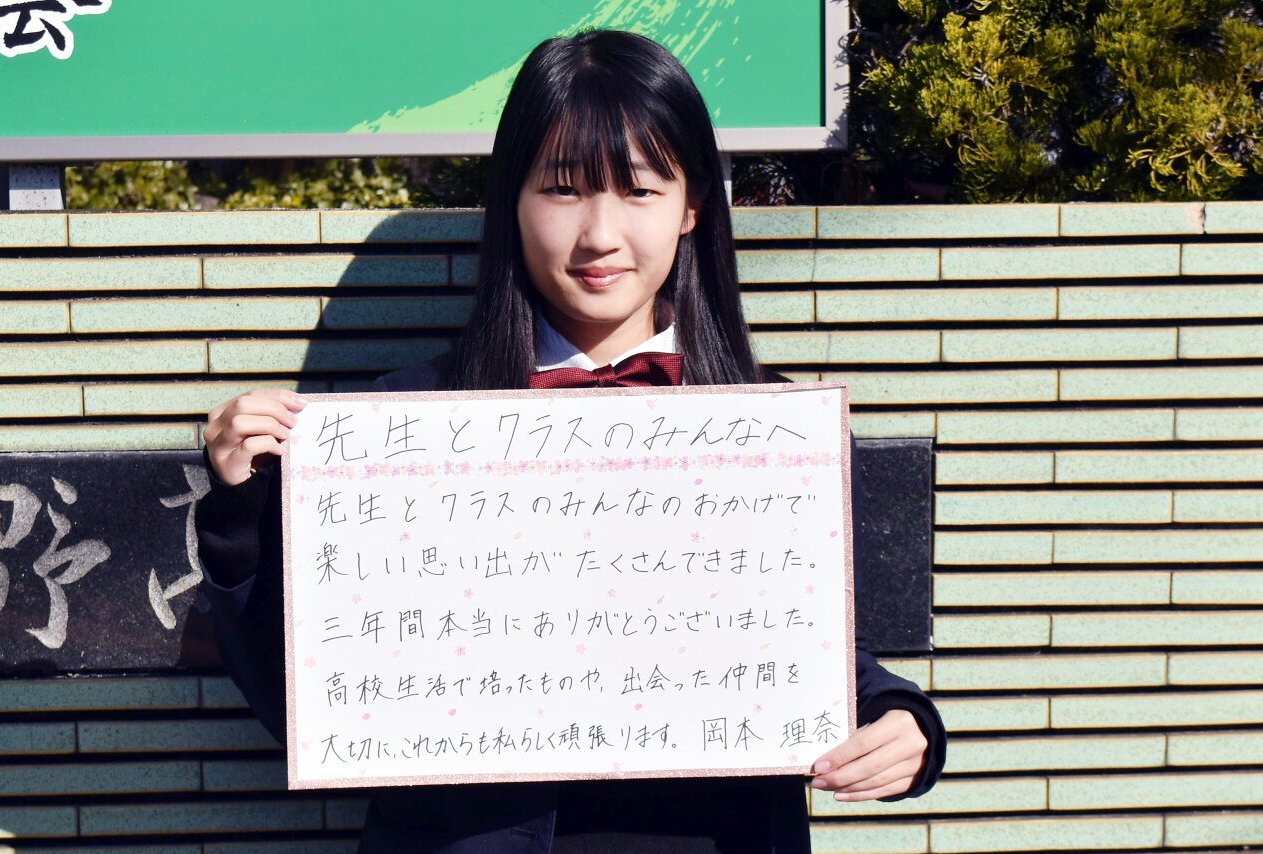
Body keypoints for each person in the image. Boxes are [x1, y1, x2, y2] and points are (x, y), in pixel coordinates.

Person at [197, 29, 945, 854]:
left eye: (640, 190)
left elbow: (824, 652)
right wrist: (240, 511)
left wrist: (901, 720)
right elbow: (306, 705)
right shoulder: (397, 427)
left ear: (693, 206)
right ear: (512, 202)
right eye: (562, 189)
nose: (600, 235)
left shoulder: (780, 432)